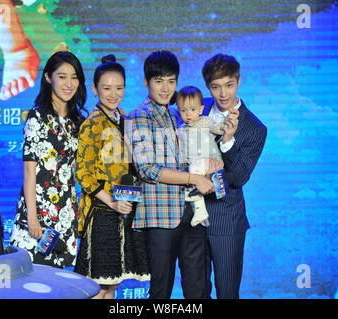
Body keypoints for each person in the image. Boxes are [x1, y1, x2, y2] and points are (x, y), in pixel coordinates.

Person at [127, 50, 215, 299]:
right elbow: (148, 169)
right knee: (161, 290)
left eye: (171, 81)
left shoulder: (181, 114)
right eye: (159, 81)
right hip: (161, 215)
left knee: (199, 289)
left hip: (194, 213)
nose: (166, 88)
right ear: (146, 82)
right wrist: (193, 178)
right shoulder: (138, 116)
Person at [74, 54, 150, 299]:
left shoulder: (123, 120)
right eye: (106, 88)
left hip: (125, 208)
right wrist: (112, 202)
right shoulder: (92, 124)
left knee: (113, 283)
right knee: (99, 285)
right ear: (95, 89)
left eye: (119, 88)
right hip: (103, 211)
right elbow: (83, 174)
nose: (113, 93)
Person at [9, 50, 87, 268]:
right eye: (62, 76)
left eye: (74, 77)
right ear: (47, 77)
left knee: (59, 280)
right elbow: (29, 170)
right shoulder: (38, 117)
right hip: (39, 211)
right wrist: (32, 218)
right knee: (33, 279)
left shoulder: (77, 120)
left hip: (65, 211)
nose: (69, 83)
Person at [201, 53, 267, 298]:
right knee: (195, 292)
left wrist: (228, 141)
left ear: (238, 81)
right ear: (208, 86)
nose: (223, 94)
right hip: (191, 216)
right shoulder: (197, 108)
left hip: (226, 220)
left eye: (228, 85)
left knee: (227, 292)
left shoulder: (255, 128)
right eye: (215, 87)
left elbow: (239, 178)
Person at [176, 86, 239, 227]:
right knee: (189, 177)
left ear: (200, 109)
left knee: (194, 171)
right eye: (183, 110)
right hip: (195, 166)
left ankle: (197, 197)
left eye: (192, 110)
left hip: (210, 160)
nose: (188, 114)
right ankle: (201, 211)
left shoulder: (205, 121)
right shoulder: (180, 130)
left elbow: (219, 128)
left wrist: (230, 118)